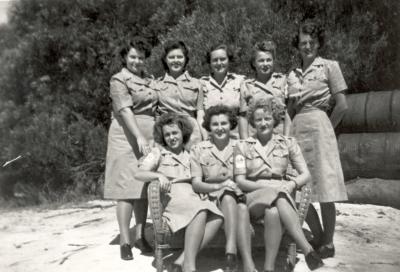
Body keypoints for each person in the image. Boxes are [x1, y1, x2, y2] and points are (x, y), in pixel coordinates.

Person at [234, 98, 324, 272]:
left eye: (267, 118)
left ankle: (269, 267)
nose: (263, 123)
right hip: (254, 196)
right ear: (252, 122)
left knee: (273, 212)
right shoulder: (242, 146)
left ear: (275, 119)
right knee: (277, 196)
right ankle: (307, 249)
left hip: (282, 193)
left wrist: (292, 184)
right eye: (258, 119)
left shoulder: (288, 143)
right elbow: (240, 180)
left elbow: (305, 174)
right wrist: (269, 188)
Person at [287, 21, 348, 258]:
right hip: (297, 128)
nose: (307, 46)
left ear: (318, 43)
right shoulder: (291, 73)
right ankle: (319, 234)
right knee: (297, 186)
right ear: (297, 46)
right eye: (303, 43)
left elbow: (342, 105)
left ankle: (329, 242)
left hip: (321, 126)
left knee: (325, 187)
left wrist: (329, 129)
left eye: (312, 42)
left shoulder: (330, 67)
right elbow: (290, 108)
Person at [135, 113, 223, 272]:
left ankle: (182, 260)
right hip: (173, 198)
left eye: (175, 133)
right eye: (167, 134)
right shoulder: (158, 153)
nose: (171, 137)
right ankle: (190, 266)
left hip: (193, 196)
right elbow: (139, 174)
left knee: (217, 217)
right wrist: (158, 175)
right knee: (201, 210)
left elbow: (201, 178)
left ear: (183, 133)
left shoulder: (193, 154)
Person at [103, 37, 156, 260]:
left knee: (142, 189)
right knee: (125, 190)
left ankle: (141, 235)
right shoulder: (118, 79)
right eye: (133, 56)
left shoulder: (149, 80)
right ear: (125, 57)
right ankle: (125, 240)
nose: (137, 61)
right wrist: (139, 137)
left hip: (149, 134)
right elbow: (124, 110)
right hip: (127, 135)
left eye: (141, 57)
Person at [190, 105, 246, 272]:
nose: (220, 128)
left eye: (224, 123)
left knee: (229, 196)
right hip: (210, 197)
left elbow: (246, 177)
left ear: (231, 124)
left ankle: (230, 250)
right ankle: (231, 251)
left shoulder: (241, 146)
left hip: (238, 195)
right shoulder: (198, 149)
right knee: (227, 195)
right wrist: (219, 186)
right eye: (215, 124)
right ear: (208, 126)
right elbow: (196, 183)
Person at [155, 40, 204, 149]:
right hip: (167, 135)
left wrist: (205, 137)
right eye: (171, 57)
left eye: (179, 57)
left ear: (186, 59)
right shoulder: (156, 85)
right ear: (165, 60)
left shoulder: (197, 84)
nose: (176, 60)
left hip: (192, 135)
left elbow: (200, 114)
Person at [239, 39, 291, 139]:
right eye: (261, 61)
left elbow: (289, 113)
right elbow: (243, 117)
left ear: (273, 61)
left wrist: (286, 139)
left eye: (268, 60)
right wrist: (245, 143)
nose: (265, 64)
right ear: (254, 63)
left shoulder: (284, 81)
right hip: (255, 137)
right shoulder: (246, 85)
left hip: (279, 136)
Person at [199, 44, 246, 139]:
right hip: (211, 140)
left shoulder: (240, 81)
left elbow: (244, 115)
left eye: (223, 59)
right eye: (215, 60)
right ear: (210, 62)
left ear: (228, 60)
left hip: (235, 139)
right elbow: (200, 114)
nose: (219, 63)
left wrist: (243, 142)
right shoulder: (201, 83)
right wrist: (204, 138)